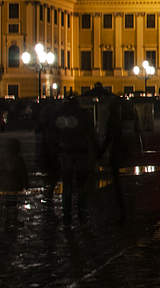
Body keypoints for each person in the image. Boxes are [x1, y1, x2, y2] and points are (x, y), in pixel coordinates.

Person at [55, 96, 101, 225]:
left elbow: (52, 133)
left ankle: (66, 213)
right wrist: (98, 149)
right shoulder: (84, 114)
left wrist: (56, 147)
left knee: (67, 183)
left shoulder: (60, 114)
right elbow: (92, 133)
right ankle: (81, 210)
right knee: (81, 183)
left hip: (65, 152)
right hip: (81, 151)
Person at [100, 102, 129, 223]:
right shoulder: (118, 120)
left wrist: (101, 151)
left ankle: (119, 211)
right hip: (118, 150)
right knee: (116, 181)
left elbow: (109, 138)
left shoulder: (112, 120)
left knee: (116, 182)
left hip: (115, 151)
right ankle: (121, 211)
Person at [1, 138, 29, 229]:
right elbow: (22, 173)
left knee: (8, 201)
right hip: (14, 185)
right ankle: (13, 219)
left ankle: (7, 219)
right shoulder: (18, 160)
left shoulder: (5, 159)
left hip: (6, 185)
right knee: (13, 202)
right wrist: (25, 184)